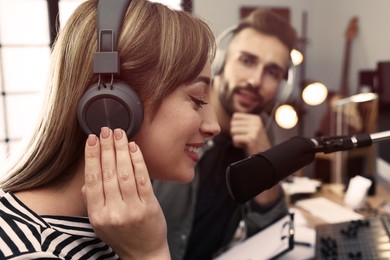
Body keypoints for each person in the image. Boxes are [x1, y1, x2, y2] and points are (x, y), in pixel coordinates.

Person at [0, 0, 220, 259]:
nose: (214, 126)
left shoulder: (118, 229)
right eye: (197, 100)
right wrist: (150, 253)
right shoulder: (30, 252)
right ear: (115, 103)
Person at [153, 8, 298, 260]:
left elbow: (274, 236)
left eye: (272, 72)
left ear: (282, 87)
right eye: (247, 61)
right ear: (220, 62)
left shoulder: (260, 138)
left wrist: (265, 162)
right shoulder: (172, 118)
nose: (255, 80)